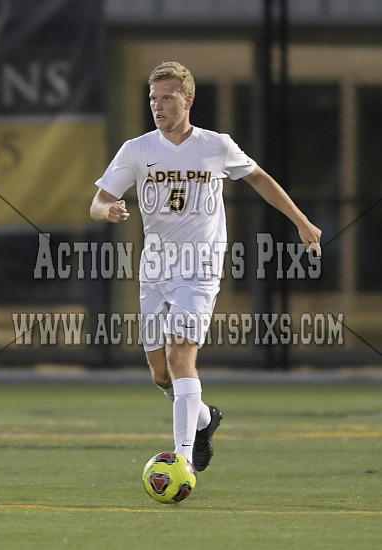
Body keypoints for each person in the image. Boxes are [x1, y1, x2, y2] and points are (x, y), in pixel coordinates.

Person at [90, 61, 322, 472]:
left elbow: (261, 179)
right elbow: (99, 200)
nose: (157, 106)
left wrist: (302, 222)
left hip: (200, 267)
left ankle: (181, 462)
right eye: (152, 99)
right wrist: (107, 210)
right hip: (155, 269)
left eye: (167, 98)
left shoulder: (216, 145)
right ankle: (204, 419)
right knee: (162, 374)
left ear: (188, 100)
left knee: (181, 355)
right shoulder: (137, 149)